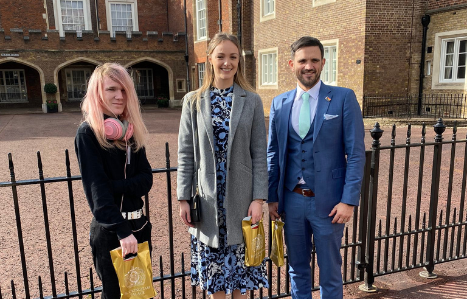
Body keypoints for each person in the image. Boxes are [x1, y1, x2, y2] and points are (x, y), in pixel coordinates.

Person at [267, 36, 366, 299]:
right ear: (291, 64)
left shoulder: (343, 98)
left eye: (314, 60)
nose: (308, 66)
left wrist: (349, 201)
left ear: (323, 62)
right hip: (292, 200)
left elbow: (355, 153)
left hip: (330, 203)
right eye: (302, 60)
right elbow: (273, 153)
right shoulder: (279, 103)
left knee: (331, 270)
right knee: (297, 268)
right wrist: (271, 197)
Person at [177, 32, 269, 298]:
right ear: (210, 60)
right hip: (208, 202)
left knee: (239, 280)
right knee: (215, 282)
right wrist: (184, 197)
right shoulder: (193, 101)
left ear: (239, 61)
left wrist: (258, 198)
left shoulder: (251, 101)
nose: (227, 63)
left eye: (233, 57)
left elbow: (259, 154)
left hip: (240, 200)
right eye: (221, 56)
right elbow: (185, 153)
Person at [75, 63, 153, 298]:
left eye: (123, 90)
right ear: (98, 92)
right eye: (111, 89)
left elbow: (146, 180)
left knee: (140, 294)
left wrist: (114, 186)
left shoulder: (130, 132)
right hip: (113, 232)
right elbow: (97, 194)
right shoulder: (88, 134)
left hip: (139, 226)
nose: (119, 96)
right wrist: (122, 231)